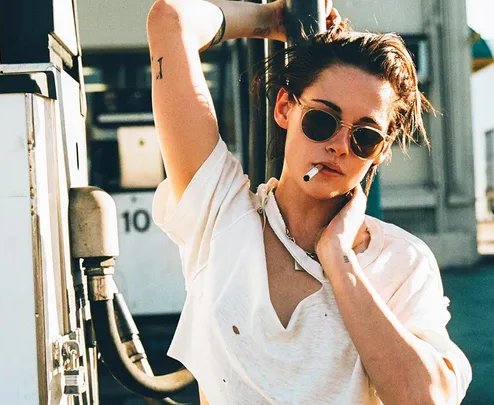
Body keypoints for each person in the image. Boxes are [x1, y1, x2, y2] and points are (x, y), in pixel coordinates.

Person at [147, 0, 471, 404]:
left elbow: (427, 399)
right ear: (285, 107)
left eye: (364, 137)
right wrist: (273, 20)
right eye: (322, 120)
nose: (338, 146)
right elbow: (170, 19)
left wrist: (339, 259)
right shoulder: (220, 213)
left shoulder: (400, 260)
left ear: (381, 151)